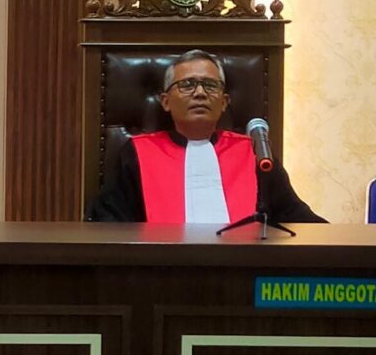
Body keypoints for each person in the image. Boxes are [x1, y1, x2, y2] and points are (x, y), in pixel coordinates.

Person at [88, 50, 323, 226]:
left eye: (210, 85)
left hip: (243, 272)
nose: (200, 93)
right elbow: (109, 223)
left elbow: (298, 220)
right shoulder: (137, 153)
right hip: (162, 272)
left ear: (224, 102)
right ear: (165, 101)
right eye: (187, 85)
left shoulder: (253, 153)